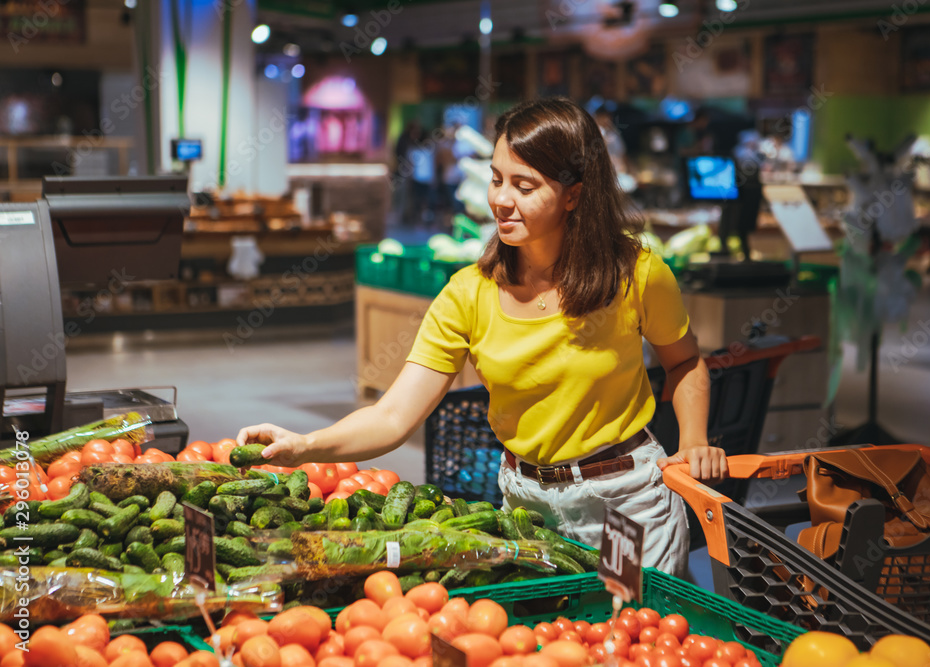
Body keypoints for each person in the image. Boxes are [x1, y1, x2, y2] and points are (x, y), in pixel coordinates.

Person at [237, 98, 727, 577]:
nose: (501, 199)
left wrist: (694, 441)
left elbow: (684, 362)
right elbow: (392, 416)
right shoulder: (468, 294)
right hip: (526, 509)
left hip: (623, 502)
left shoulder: (636, 274)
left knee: (628, 643)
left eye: (524, 184)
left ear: (574, 194)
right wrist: (304, 445)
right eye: (496, 179)